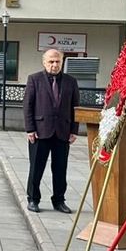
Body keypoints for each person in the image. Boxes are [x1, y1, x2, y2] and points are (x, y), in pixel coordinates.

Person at [23, 49, 80, 214]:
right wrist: (30, 129)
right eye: (51, 61)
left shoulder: (71, 81)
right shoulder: (34, 79)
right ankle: (33, 199)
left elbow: (75, 107)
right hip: (40, 131)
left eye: (58, 61)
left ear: (62, 62)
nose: (54, 65)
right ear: (44, 62)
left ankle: (59, 200)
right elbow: (27, 105)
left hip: (63, 132)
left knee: (61, 168)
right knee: (36, 168)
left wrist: (74, 130)